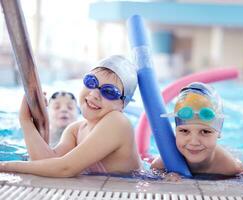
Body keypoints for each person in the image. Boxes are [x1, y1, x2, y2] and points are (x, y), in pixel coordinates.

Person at [0, 55, 141, 177]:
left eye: (109, 92)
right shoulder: (75, 129)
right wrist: (25, 121)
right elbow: (46, 162)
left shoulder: (117, 122)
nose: (94, 94)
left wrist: (5, 166)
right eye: (91, 82)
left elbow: (64, 168)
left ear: (122, 104)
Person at [151, 82, 243, 177]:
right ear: (176, 131)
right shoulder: (162, 165)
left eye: (205, 131)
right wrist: (164, 178)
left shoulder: (230, 168)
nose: (194, 142)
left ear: (219, 132)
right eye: (184, 131)